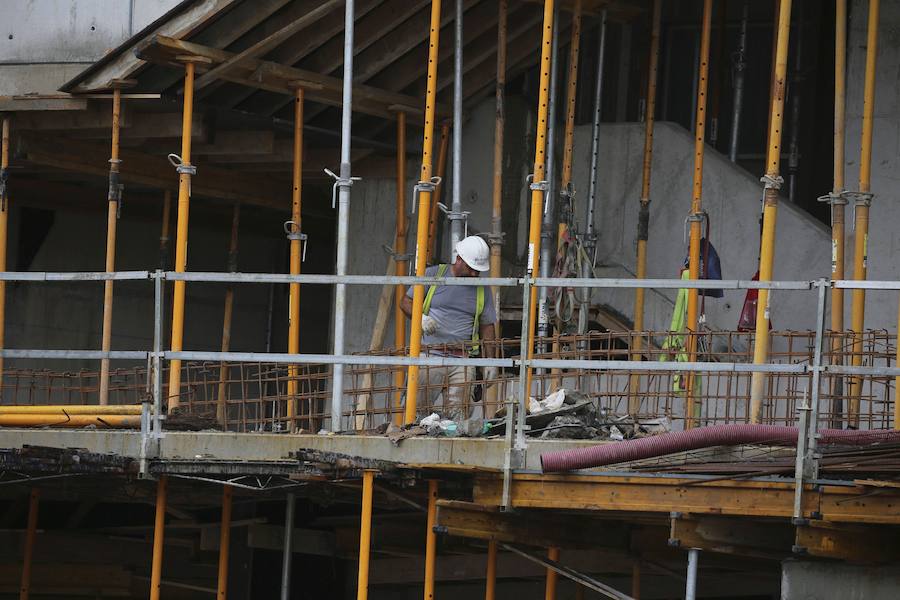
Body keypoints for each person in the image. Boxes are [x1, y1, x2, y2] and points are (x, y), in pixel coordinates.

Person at [400, 235, 497, 420]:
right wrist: (420, 318)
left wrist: (490, 361)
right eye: (471, 268)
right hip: (430, 355)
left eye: (478, 270)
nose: (474, 274)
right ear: (459, 259)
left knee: (458, 418)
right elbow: (405, 302)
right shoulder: (433, 275)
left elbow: (487, 327)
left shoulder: (481, 288)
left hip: (462, 360)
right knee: (416, 414)